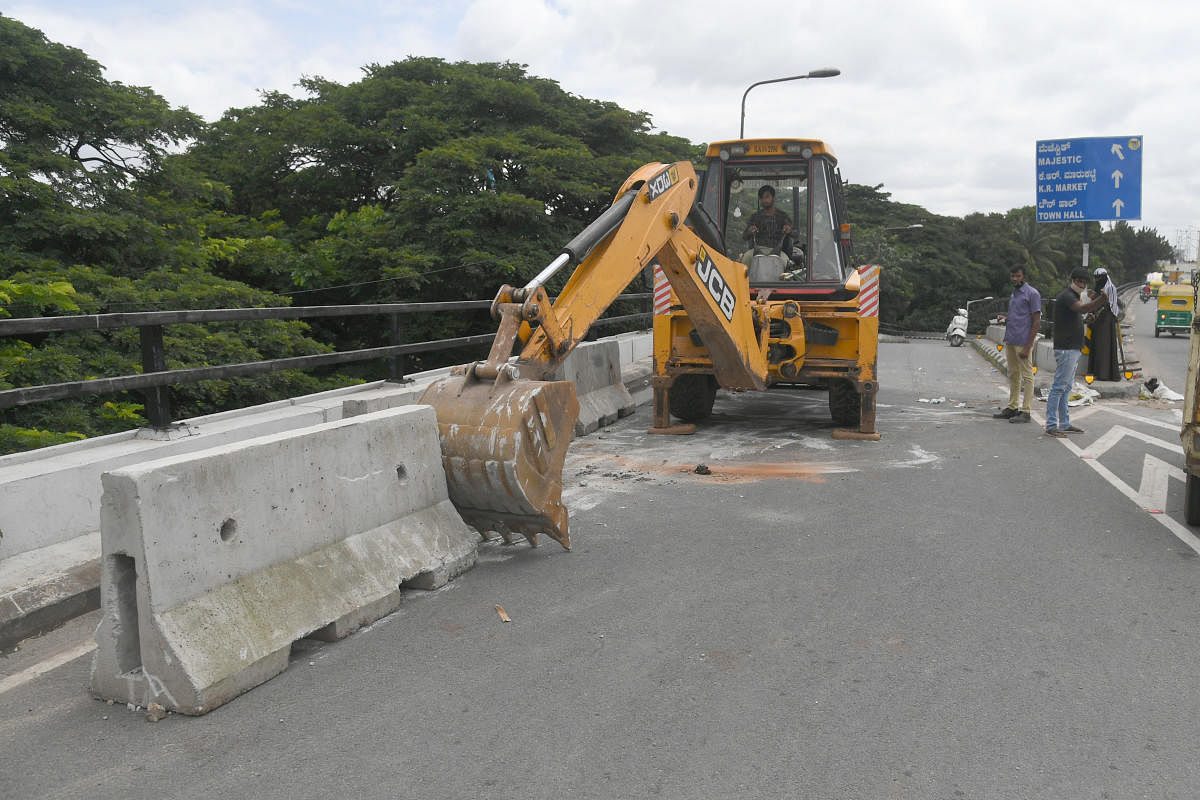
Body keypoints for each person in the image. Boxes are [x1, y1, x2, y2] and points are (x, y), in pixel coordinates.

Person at [1045, 267, 1109, 438]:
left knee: (1066, 388)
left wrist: (1086, 320)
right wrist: (1102, 299)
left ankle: (1064, 423)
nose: (1081, 284)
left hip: (1072, 347)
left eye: (1083, 282)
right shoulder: (1067, 296)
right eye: (1078, 281)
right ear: (1071, 280)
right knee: (1059, 387)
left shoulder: (1074, 296)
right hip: (1066, 349)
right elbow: (1082, 309)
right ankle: (1051, 425)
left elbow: (1077, 316)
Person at [993, 265, 1042, 423]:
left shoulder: (1032, 294)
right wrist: (1006, 318)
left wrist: (1028, 346)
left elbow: (1036, 321)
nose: (1015, 279)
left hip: (1023, 341)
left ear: (1024, 277)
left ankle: (1026, 411)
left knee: (1027, 376)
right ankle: (1012, 407)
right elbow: (1020, 316)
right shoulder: (1014, 293)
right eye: (1013, 276)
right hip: (1011, 338)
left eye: (1018, 276)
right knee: (1013, 374)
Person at [1086, 266, 1120, 381]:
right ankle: (1095, 371)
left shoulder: (1110, 288)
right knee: (1096, 345)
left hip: (1106, 319)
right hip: (1097, 320)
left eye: (1099, 278)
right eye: (1096, 278)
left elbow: (1110, 304)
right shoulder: (1098, 287)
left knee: (1104, 346)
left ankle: (1104, 374)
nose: (1097, 280)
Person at [743, 185, 793, 252]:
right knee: (745, 259)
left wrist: (789, 230)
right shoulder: (755, 217)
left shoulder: (783, 216)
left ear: (773, 198)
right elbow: (744, 237)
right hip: (757, 252)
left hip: (779, 252)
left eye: (767, 197)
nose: (764, 200)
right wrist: (749, 231)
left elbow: (796, 234)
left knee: (785, 262)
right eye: (762, 198)